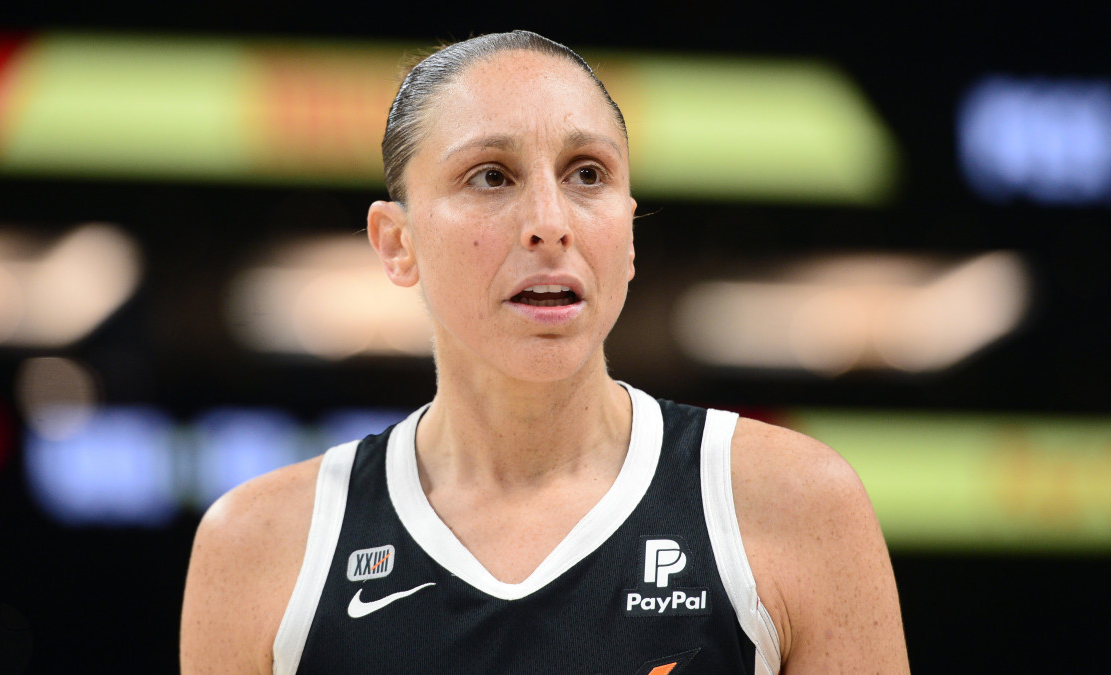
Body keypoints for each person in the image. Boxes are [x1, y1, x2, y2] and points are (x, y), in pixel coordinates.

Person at [180, 30, 909, 674]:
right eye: (491, 176)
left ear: (628, 231)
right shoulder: (260, 546)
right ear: (396, 243)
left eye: (587, 173)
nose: (549, 223)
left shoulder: (795, 503)